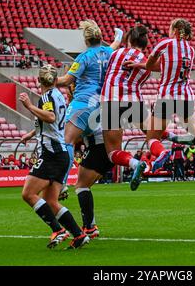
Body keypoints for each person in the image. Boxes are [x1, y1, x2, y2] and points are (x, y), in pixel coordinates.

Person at [125, 18, 195, 186]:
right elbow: (162, 66)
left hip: (167, 94)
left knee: (152, 138)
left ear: (176, 30)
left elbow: (151, 65)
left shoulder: (165, 44)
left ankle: (162, 153)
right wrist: (139, 64)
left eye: (171, 28)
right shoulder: (191, 50)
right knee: (193, 128)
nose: (169, 31)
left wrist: (141, 65)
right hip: (186, 94)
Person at [19, 64, 89, 249]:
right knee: (51, 201)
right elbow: (52, 122)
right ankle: (78, 235)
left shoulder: (46, 97)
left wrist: (29, 106)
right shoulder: (59, 95)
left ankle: (58, 230)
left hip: (51, 153)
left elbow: (50, 117)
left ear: (39, 80)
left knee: (28, 194)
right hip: (61, 153)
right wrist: (32, 134)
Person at [56, 19, 122, 191]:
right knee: (90, 140)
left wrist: (50, 81)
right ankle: (94, 173)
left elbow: (67, 80)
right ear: (100, 38)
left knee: (66, 141)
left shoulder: (83, 57)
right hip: (101, 104)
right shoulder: (108, 51)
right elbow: (116, 44)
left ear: (86, 41)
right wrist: (118, 35)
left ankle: (61, 182)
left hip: (83, 103)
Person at [100, 25, 151, 190]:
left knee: (112, 153)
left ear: (129, 39)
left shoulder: (116, 53)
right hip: (134, 101)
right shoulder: (146, 64)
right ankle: (175, 137)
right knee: (151, 133)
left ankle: (135, 164)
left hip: (111, 102)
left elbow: (102, 66)